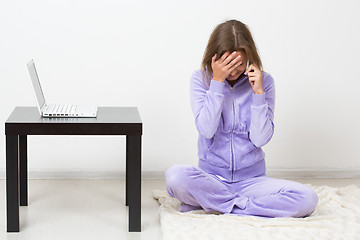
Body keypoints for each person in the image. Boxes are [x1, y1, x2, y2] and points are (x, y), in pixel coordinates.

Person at [165, 19, 318, 218]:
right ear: (215, 58)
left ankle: (216, 204)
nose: (234, 71)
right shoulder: (200, 79)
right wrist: (217, 83)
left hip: (253, 181)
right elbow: (206, 129)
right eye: (229, 64)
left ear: (250, 58)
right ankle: (246, 206)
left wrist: (258, 93)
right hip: (212, 179)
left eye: (240, 64)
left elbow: (260, 139)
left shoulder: (265, 81)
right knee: (176, 177)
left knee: (307, 198)